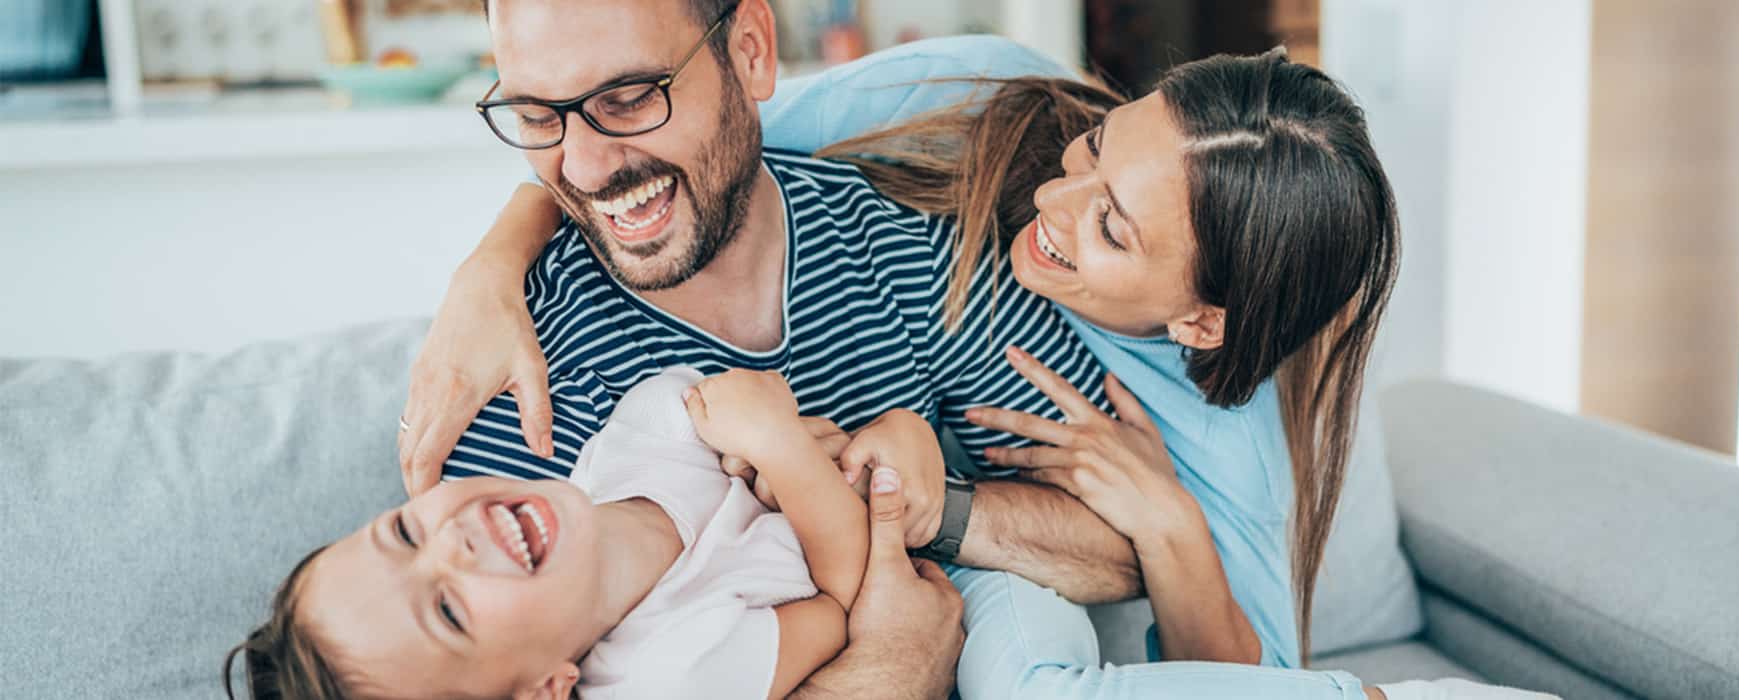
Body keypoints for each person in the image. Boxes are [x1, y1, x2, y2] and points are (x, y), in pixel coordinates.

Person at [406, 17, 1553, 700]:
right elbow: (673, 140)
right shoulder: (981, 111)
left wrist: (1162, 525)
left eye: (1115, 231)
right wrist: (497, 256)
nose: (1057, 202)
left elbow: (1237, 676)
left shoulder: (1218, 432)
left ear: (1202, 318)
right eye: (1095, 150)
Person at [228, 367, 890, 698]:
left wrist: (810, 446)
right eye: (448, 610)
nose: (450, 544)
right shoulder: (673, 674)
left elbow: (817, 434)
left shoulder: (651, 423)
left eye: (404, 534)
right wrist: (779, 445)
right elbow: (843, 603)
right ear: (543, 689)